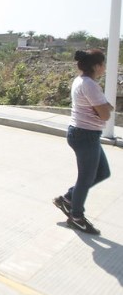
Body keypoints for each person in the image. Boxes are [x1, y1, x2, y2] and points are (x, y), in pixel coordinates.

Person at [53, 49, 113, 235]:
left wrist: (103, 108)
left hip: (86, 134)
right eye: (103, 64)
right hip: (84, 135)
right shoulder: (90, 85)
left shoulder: (83, 81)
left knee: (102, 172)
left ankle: (68, 199)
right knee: (86, 178)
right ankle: (76, 217)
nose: (104, 67)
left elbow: (105, 108)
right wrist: (103, 109)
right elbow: (106, 113)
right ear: (96, 66)